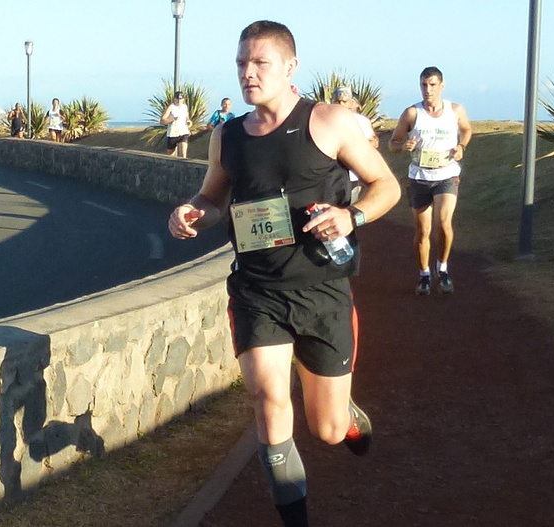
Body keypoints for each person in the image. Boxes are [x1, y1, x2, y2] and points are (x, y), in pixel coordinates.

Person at [168, 20, 400, 527]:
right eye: (241, 63)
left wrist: (351, 216)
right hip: (257, 291)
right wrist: (192, 212)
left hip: (321, 290)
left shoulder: (329, 122)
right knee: (268, 400)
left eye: (260, 63)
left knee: (327, 429)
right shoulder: (228, 135)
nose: (247, 73)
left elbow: (386, 185)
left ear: (290, 67)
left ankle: (347, 414)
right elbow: (212, 197)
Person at [389, 66, 472, 296]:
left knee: (444, 222)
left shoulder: (455, 110)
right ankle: (424, 274)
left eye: (432, 85)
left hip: (447, 175)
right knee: (423, 230)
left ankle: (442, 268)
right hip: (419, 177)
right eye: (424, 85)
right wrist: (403, 146)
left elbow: (466, 129)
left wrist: (461, 146)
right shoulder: (412, 113)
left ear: (442, 86)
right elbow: (392, 143)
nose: (428, 89)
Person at [332, 85, 379, 203]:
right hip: (330, 175)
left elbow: (373, 143)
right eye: (337, 101)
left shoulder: (361, 121)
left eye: (344, 101)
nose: (341, 104)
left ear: (351, 103)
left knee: (350, 207)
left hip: (353, 174)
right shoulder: (324, 120)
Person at [160, 91, 192, 158]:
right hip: (172, 134)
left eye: (180, 99)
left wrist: (189, 122)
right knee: (171, 156)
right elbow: (162, 120)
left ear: (183, 99)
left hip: (183, 133)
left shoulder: (185, 107)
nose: (179, 100)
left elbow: (187, 118)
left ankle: (183, 164)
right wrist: (172, 119)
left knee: (183, 155)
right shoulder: (171, 107)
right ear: (174, 99)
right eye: (177, 98)